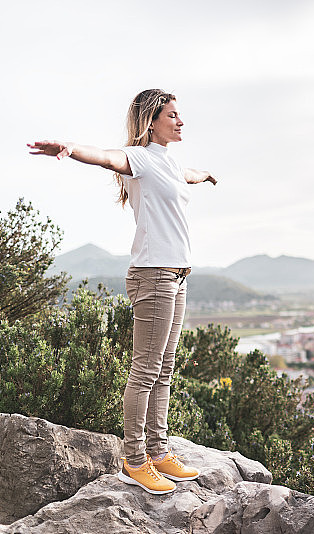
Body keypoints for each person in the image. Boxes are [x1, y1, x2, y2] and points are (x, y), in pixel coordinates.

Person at [28, 89, 217, 495]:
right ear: (151, 121)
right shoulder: (140, 159)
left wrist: (204, 176)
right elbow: (104, 156)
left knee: (165, 368)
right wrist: (70, 147)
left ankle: (160, 450)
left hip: (178, 274)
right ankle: (135, 461)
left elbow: (184, 176)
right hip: (153, 275)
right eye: (173, 115)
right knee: (146, 371)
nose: (181, 121)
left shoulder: (169, 162)